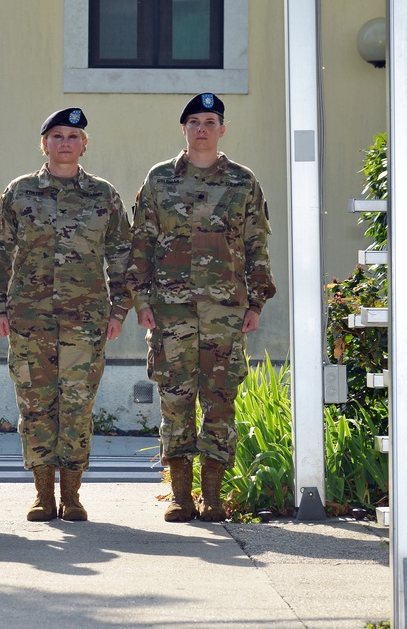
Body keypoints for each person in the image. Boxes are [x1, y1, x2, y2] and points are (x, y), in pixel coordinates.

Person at [127, 93, 276, 522]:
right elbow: (142, 245)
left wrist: (257, 301)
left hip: (226, 312)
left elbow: (256, 246)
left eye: (210, 121)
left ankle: (211, 495)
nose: (202, 128)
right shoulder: (159, 181)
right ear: (184, 129)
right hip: (171, 313)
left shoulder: (243, 182)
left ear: (222, 129)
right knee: (175, 401)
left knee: (221, 401)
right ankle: (179, 495)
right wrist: (141, 301)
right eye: (194, 121)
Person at [0, 108, 131, 522]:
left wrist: (119, 310)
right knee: (35, 405)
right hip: (30, 319)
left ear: (84, 145)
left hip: (86, 321)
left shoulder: (104, 195)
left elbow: (122, 257)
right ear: (44, 144)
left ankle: (72, 495)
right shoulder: (20, 192)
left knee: (78, 405)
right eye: (57, 136)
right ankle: (42, 495)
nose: (65, 142)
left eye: (74, 136)